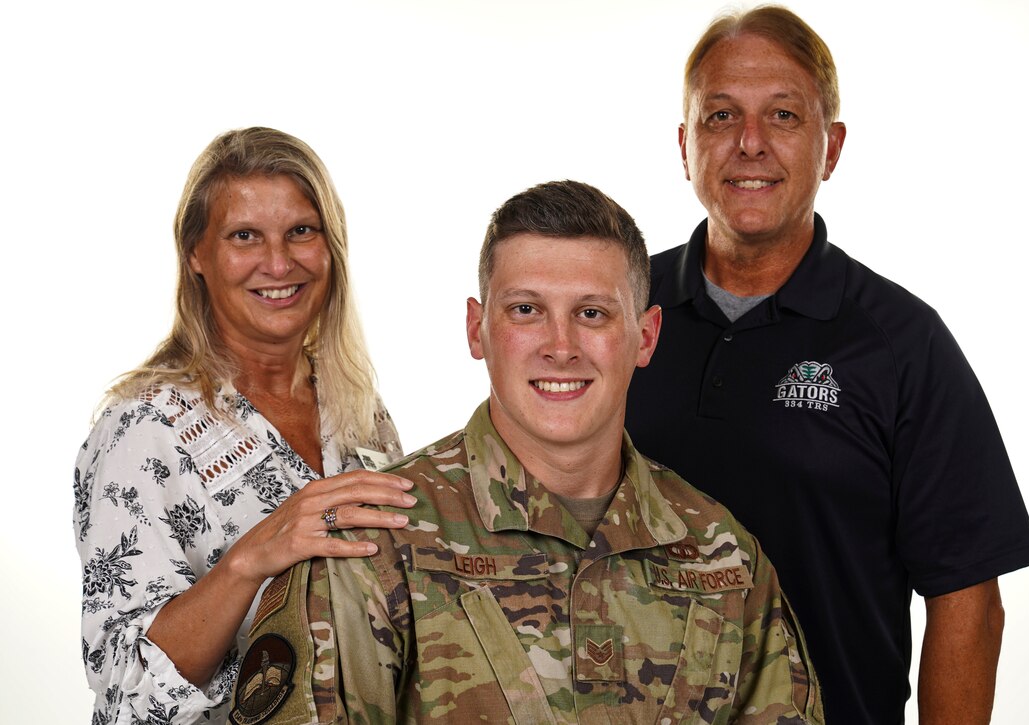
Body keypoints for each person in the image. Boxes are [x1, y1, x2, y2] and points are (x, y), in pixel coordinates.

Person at [232, 180, 824, 724]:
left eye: (591, 313)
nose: (560, 347)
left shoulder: (723, 556)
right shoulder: (375, 540)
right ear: (477, 328)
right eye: (526, 311)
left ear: (645, 337)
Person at [625, 7, 1029, 724]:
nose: (749, 144)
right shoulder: (615, 310)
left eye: (783, 115)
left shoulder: (902, 343)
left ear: (832, 147)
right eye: (721, 117)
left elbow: (967, 597)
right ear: (685, 146)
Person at [73, 127, 415, 725]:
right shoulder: (143, 428)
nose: (279, 263)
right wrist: (250, 557)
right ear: (196, 256)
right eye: (244, 236)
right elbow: (126, 694)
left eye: (301, 232)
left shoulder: (356, 408)